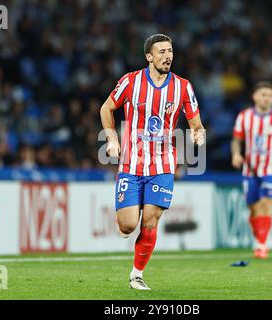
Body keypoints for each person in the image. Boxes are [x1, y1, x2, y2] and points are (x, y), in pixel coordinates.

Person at [100, 34, 205, 290]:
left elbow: (196, 123)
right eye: (161, 52)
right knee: (127, 226)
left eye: (170, 51)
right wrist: (112, 139)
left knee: (150, 220)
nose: (167, 56)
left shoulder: (183, 87)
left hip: (163, 165)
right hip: (131, 164)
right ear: (149, 56)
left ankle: (136, 274)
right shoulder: (130, 81)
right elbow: (106, 109)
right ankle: (129, 228)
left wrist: (198, 134)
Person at [231, 81, 272, 259]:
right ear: (255, 96)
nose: (267, 98)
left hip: (271, 169)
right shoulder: (244, 116)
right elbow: (236, 139)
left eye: (270, 95)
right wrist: (236, 154)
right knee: (253, 209)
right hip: (250, 170)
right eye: (263, 94)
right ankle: (260, 239)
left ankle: (261, 245)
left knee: (266, 205)